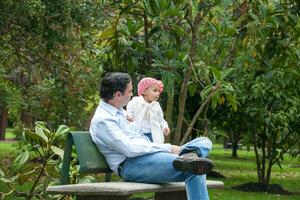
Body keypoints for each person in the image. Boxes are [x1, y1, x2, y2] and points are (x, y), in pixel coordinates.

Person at [90, 72, 214, 200]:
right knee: (196, 167)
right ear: (117, 94)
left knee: (204, 141)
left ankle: (189, 155)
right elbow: (130, 149)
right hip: (131, 165)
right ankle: (189, 157)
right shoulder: (103, 120)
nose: (132, 95)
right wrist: (168, 148)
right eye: (129, 92)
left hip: (149, 157)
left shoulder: (120, 112)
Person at [126, 77, 170, 143]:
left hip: (153, 135)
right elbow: (129, 111)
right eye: (155, 90)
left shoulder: (156, 105)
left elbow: (161, 119)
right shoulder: (136, 101)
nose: (158, 93)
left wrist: (164, 126)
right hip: (138, 134)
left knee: (154, 149)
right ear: (144, 91)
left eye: (159, 91)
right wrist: (129, 116)